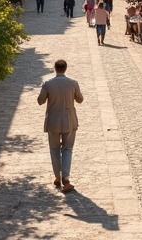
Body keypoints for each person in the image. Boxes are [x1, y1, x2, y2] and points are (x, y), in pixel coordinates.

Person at [37, 59, 83, 193]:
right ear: (65, 68)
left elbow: (40, 101)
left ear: (55, 68)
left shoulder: (48, 83)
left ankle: (57, 176)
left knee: (54, 148)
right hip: (69, 120)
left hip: (53, 121)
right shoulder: (73, 83)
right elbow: (80, 100)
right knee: (68, 149)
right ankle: (66, 178)